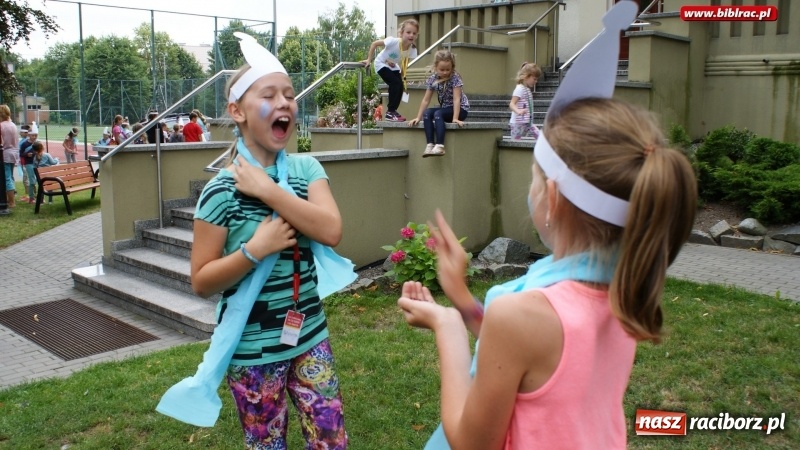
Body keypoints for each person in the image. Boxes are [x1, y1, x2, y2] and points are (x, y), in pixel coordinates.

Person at [397, 2, 696, 448]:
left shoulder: (524, 317)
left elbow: (470, 441)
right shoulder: (625, 286)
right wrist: (459, 295)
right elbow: (529, 357)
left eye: (534, 175)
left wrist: (448, 328)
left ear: (551, 198)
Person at [189, 32, 349, 448]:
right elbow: (202, 280)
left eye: (290, 95)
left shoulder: (306, 169)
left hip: (309, 335)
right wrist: (253, 249)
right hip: (252, 354)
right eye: (270, 95)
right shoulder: (220, 192)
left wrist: (269, 190)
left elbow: (330, 230)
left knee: (331, 440)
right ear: (237, 111)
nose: (284, 103)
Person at [407, 50, 470, 157]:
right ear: (436, 67)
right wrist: (418, 117)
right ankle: (430, 144)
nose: (445, 72)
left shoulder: (455, 78)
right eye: (442, 69)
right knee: (427, 113)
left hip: (461, 110)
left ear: (452, 67)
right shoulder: (433, 79)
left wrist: (455, 118)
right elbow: (426, 100)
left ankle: (440, 145)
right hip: (446, 109)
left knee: (438, 114)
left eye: (448, 69)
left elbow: (456, 99)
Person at [362, 19, 419, 122]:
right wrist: (369, 59)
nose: (411, 35)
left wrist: (402, 73)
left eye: (414, 33)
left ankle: (393, 111)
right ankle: (390, 112)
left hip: (393, 66)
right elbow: (374, 44)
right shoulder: (393, 41)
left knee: (400, 85)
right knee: (395, 83)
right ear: (401, 33)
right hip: (381, 63)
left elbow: (405, 61)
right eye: (408, 32)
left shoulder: (412, 49)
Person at [509, 62, 542, 140]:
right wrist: (518, 111)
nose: (536, 81)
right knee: (515, 142)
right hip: (517, 123)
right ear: (526, 76)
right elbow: (512, 104)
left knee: (540, 137)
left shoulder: (527, 89)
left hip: (528, 122)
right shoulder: (519, 89)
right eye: (534, 79)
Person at [1, 104, 19, 208]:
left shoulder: (1, 126)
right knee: (10, 177)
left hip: (5, 154)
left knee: (7, 178)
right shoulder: (12, 125)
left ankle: (11, 202)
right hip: (13, 153)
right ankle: (10, 199)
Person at [19, 123, 39, 204]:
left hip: (37, 163)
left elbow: (40, 151)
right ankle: (31, 197)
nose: (34, 137)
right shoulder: (25, 144)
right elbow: (20, 154)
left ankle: (39, 195)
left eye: (35, 135)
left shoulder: (38, 143)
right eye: (32, 135)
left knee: (38, 180)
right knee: (32, 181)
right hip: (29, 163)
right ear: (29, 135)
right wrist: (26, 154)